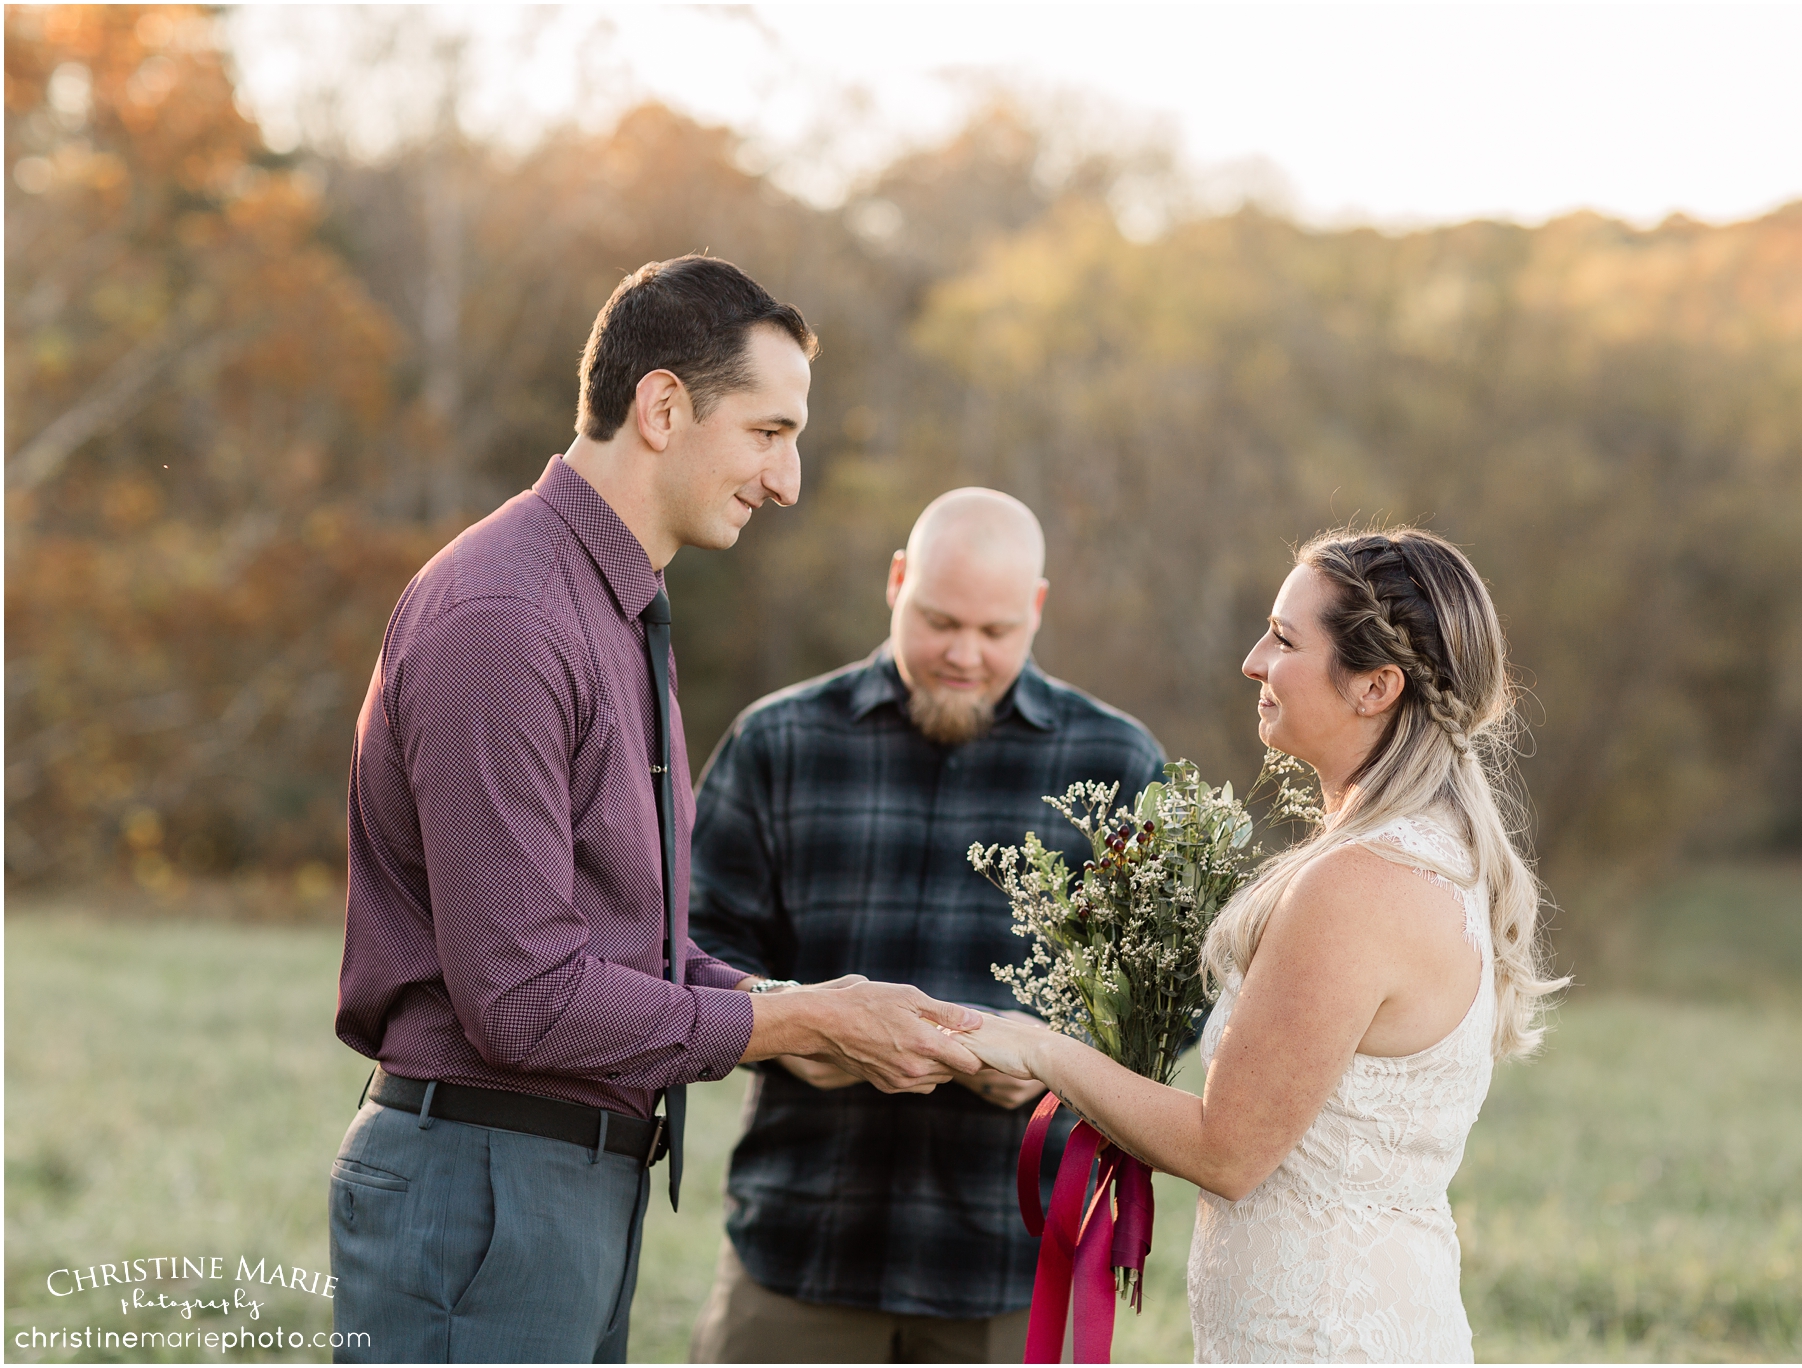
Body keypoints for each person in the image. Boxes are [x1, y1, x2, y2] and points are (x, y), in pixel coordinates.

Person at [330, 256, 986, 1365]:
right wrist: (794, 1023)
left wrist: (801, 1007)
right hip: (487, 1193)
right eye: (767, 433)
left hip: (562, 1189)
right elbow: (525, 1002)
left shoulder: (615, 608)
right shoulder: (505, 617)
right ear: (665, 406)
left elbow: (625, 946)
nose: (786, 481)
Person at [959, 527, 1569, 1364]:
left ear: (1375, 686)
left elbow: (1229, 1149)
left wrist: (1040, 1049)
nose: (1252, 661)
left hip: (1321, 1335)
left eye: (1284, 640)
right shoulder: (1433, 851)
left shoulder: (1359, 884)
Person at [686, 488, 1167, 1363]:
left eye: (995, 632)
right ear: (897, 580)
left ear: (1037, 610)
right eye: (940, 621)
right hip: (801, 1248)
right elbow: (687, 943)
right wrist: (786, 1024)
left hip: (1010, 1268)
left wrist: (1060, 1063)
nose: (963, 654)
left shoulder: (1119, 764)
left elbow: (1169, 997)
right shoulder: (779, 742)